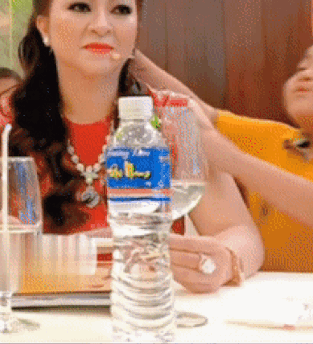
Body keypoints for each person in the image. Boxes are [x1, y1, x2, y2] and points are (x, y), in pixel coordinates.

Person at [0, 0, 264, 293]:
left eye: (121, 10)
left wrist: (223, 259)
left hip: (146, 308)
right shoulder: (4, 119)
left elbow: (241, 233)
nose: (102, 25)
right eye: (81, 6)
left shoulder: (174, 117)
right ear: (44, 26)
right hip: (40, 314)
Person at [132, 48, 313, 272]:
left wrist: (232, 159)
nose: (307, 75)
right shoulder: (278, 138)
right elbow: (199, 114)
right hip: (269, 290)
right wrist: (131, 55)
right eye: (302, 67)